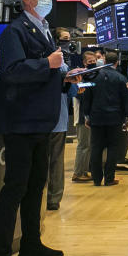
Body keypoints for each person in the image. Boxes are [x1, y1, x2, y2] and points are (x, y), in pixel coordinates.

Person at [0, 0, 76, 256]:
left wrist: (64, 77)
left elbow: (45, 70)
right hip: (21, 121)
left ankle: (30, 244)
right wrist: (48, 64)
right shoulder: (14, 32)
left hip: (42, 121)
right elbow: (12, 72)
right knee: (15, 187)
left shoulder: (43, 29)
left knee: (36, 185)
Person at [82, 50, 128, 187]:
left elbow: (87, 98)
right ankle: (109, 179)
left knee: (96, 147)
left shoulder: (93, 77)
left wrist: (86, 116)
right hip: (115, 118)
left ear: (104, 61)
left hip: (96, 117)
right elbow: (125, 101)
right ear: (117, 62)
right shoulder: (121, 78)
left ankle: (97, 179)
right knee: (113, 148)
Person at [46, 28, 76, 210]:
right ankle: (53, 199)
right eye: (65, 39)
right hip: (56, 120)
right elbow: (72, 91)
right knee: (55, 161)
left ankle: (46, 199)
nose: (68, 43)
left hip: (52, 120)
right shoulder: (62, 65)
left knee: (49, 161)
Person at [71, 48, 98, 184]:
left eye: (94, 61)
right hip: (82, 117)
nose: (92, 63)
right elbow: (79, 94)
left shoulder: (92, 76)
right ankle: (77, 173)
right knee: (83, 145)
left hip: (89, 115)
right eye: (90, 61)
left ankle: (83, 171)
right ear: (84, 63)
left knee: (87, 145)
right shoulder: (80, 77)